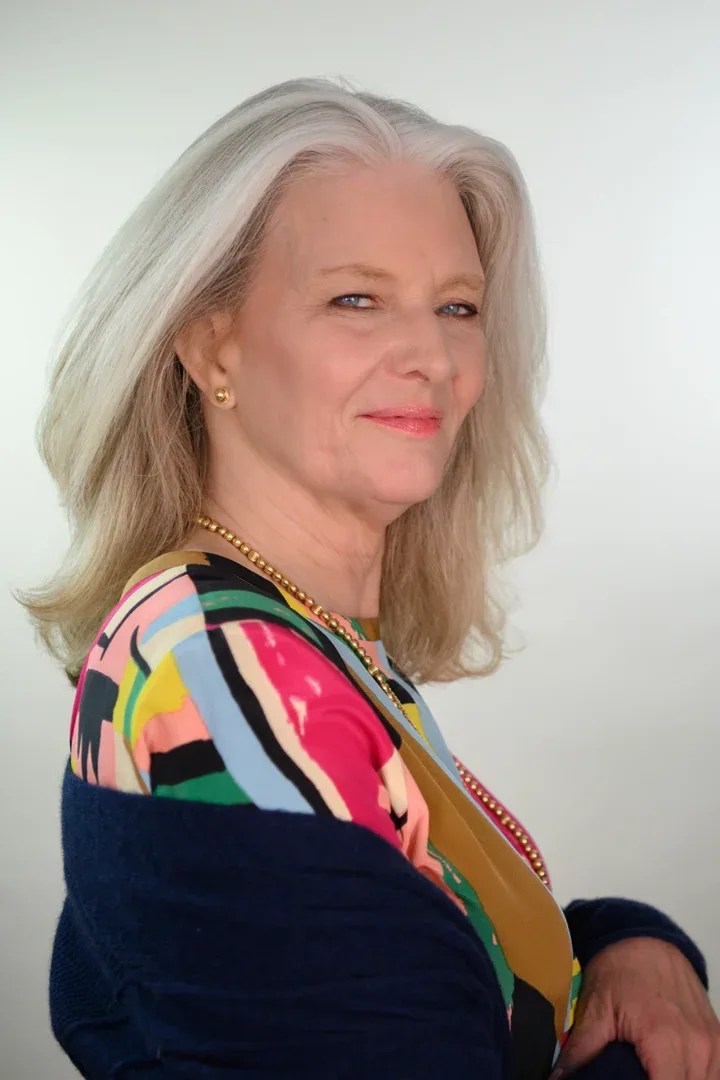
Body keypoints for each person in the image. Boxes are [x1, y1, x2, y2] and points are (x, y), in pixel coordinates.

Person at [21, 77, 719, 1079]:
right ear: (209, 341)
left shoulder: (301, 639)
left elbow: (436, 945)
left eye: (458, 306)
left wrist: (627, 944)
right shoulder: (225, 676)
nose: (431, 355)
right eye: (356, 298)